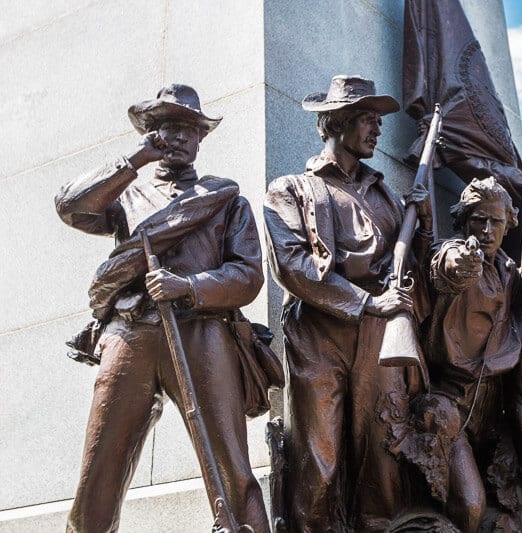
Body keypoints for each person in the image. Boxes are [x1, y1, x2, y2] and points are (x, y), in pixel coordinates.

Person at [54, 84, 270, 532]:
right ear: (150, 134)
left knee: (231, 468)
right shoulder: (126, 197)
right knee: (100, 470)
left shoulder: (226, 200)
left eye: (189, 129)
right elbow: (71, 207)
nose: (179, 138)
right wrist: (134, 162)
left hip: (201, 332)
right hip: (128, 334)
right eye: (168, 127)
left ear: (201, 138)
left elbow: (248, 275)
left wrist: (187, 285)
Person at [263, 75, 432, 532]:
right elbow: (292, 267)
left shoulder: (387, 197)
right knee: (319, 461)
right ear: (334, 122)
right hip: (320, 334)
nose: (377, 129)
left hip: (381, 340)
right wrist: (367, 302)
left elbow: (415, 268)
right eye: (366, 118)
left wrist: (425, 225)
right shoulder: (291, 189)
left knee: (383, 459)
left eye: (378, 120)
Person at [421, 177, 522, 532]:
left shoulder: (510, 272)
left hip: (496, 408)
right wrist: (458, 263)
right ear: (464, 222)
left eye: (496, 221)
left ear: (508, 224)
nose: (487, 229)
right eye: (478, 219)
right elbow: (446, 267)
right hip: (452, 400)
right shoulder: (452, 251)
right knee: (470, 506)